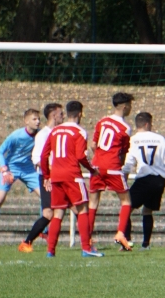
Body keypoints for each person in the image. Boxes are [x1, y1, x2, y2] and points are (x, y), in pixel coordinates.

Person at [39, 100, 101, 258]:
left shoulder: (55, 131)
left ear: (67, 113)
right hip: (72, 176)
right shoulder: (80, 131)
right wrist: (92, 170)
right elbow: (80, 156)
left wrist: (47, 176)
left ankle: (50, 251)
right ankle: (86, 248)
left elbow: (43, 155)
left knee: (58, 213)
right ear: (80, 114)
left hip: (56, 176)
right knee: (83, 210)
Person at [0, 108, 42, 246]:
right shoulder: (16, 135)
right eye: (34, 119)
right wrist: (4, 169)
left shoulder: (40, 135)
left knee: (46, 197)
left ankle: (45, 231)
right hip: (11, 169)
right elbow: (0, 152)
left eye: (39, 119)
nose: (38, 121)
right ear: (26, 121)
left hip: (28, 170)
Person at [122, 112, 165, 249]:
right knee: (147, 210)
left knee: (126, 208)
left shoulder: (133, 140)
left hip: (144, 178)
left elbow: (128, 164)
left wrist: (124, 182)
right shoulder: (160, 139)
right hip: (159, 180)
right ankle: (146, 244)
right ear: (147, 124)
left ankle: (126, 240)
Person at [89, 92, 134, 251]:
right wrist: (117, 163)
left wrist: (100, 158)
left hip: (96, 166)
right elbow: (123, 152)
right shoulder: (125, 128)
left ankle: (87, 239)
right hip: (112, 166)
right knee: (126, 201)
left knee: (93, 202)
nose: (131, 108)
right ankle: (121, 233)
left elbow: (93, 145)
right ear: (124, 106)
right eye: (130, 105)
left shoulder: (101, 121)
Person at [18, 103, 64, 252]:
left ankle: (86, 242)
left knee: (74, 208)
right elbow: (37, 158)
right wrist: (49, 174)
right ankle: (27, 243)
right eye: (61, 114)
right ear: (54, 116)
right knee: (49, 213)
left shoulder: (60, 132)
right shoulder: (43, 135)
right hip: (47, 177)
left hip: (60, 176)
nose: (63, 117)